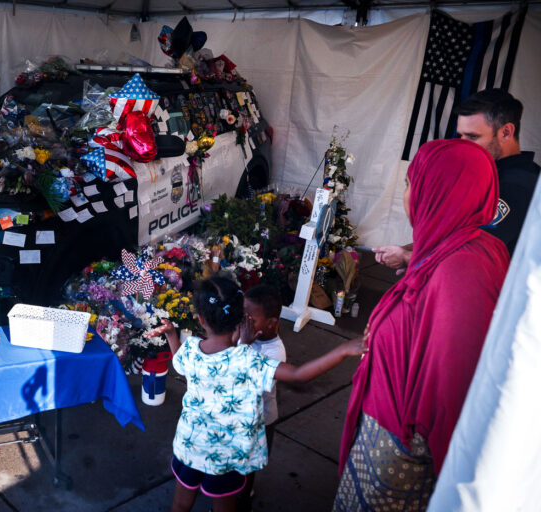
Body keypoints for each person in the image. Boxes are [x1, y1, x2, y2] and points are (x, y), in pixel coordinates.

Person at [333, 139, 510, 511]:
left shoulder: (460, 273)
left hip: (399, 449)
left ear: (440, 191)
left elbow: (452, 387)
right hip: (394, 427)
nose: (407, 194)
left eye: (413, 183)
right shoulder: (463, 246)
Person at [156, 275, 366, 512]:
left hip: (190, 445)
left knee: (181, 505)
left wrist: (172, 334)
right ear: (240, 318)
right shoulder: (249, 360)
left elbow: (179, 363)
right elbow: (299, 375)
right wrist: (344, 349)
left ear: (201, 319)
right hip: (228, 456)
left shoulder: (192, 349)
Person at [374, 89, 539, 266]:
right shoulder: (485, 173)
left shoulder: (519, 184)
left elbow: (471, 252)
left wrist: (407, 259)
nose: (463, 144)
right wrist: (411, 250)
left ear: (506, 132)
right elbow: (458, 234)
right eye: (461, 135)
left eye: (473, 136)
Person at [235, 284, 286, 511]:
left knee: (248, 467)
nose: (245, 323)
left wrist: (243, 345)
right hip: (240, 416)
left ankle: (243, 500)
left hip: (260, 420)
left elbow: (249, 385)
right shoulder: (249, 336)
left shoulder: (275, 352)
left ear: (271, 323)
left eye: (250, 319)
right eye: (243, 317)